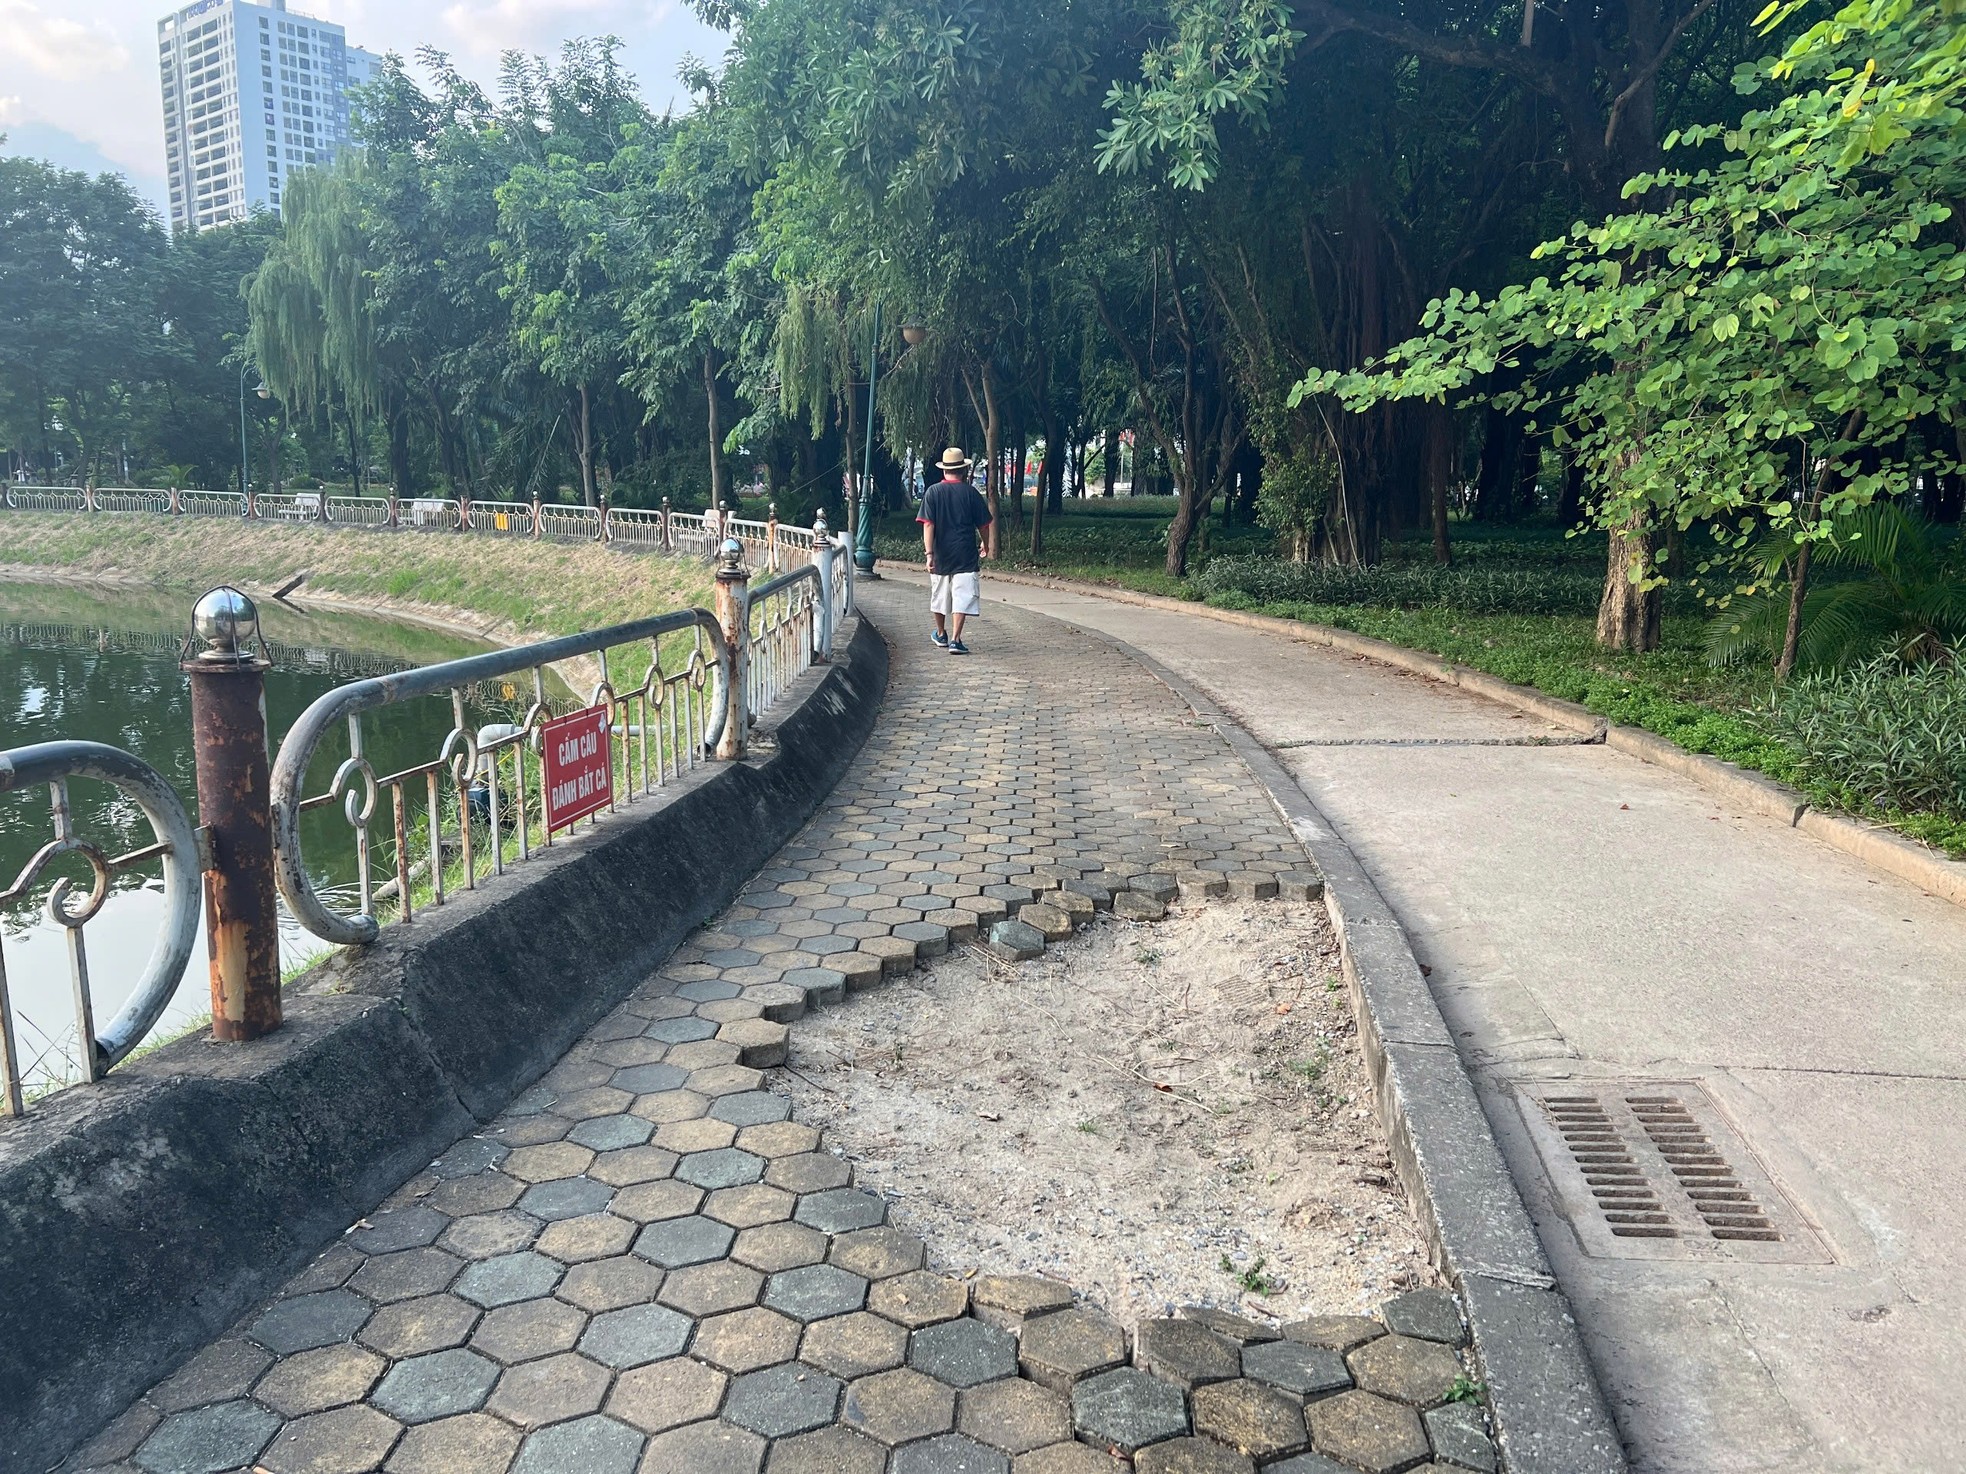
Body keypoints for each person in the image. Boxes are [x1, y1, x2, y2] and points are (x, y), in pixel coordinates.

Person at [918, 446, 993, 654]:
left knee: (940, 595)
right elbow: (984, 526)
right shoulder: (971, 493)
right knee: (962, 595)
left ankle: (941, 634)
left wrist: (929, 554)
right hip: (965, 553)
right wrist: (986, 545)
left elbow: (928, 524)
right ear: (964, 471)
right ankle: (955, 639)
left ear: (944, 470)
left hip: (941, 553)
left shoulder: (933, 492)